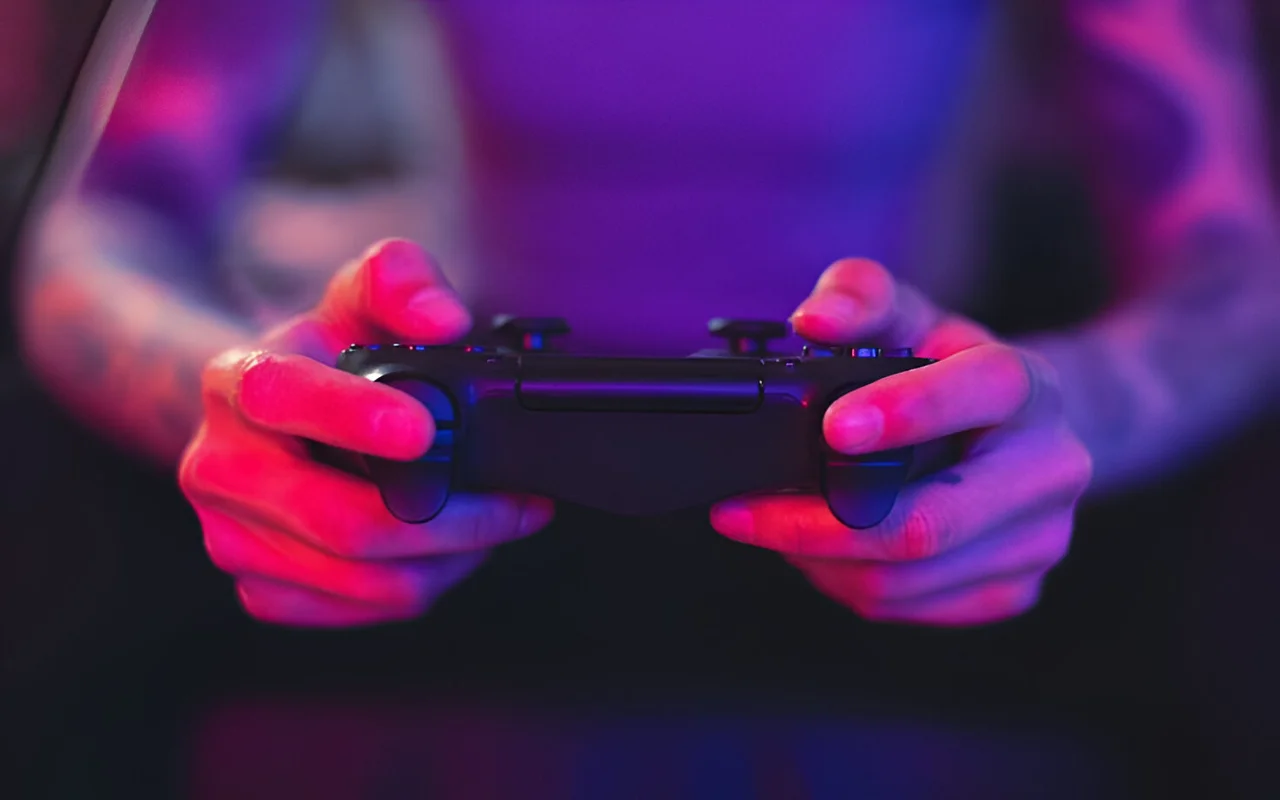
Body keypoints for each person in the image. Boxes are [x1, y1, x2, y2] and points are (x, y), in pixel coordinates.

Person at [9, 0, 1280, 792]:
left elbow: (1231, 270)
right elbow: (107, 218)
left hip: (903, 467)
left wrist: (1057, 415)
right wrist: (240, 403)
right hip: (453, 481)